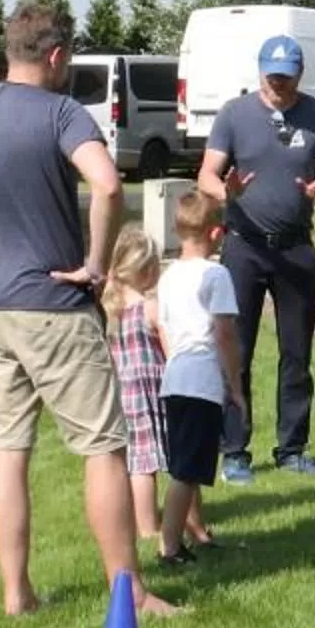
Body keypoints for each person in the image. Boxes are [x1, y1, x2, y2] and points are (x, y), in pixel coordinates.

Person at [0, 0, 172, 620]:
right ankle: (132, 593)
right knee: (103, 448)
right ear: (57, 55)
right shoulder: (63, 113)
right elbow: (105, 185)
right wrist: (96, 266)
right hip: (53, 308)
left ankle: (17, 593)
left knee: (8, 449)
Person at [195, 32, 315, 481]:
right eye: (272, 76)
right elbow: (206, 172)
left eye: (286, 77)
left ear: (300, 74)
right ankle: (235, 451)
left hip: (296, 249)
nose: (278, 84)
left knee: (296, 353)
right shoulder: (234, 114)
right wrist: (225, 190)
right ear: (260, 71)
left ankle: (292, 449)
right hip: (243, 246)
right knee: (235, 349)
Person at [152, 190, 246, 565]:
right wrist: (235, 385)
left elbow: (162, 326)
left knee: (186, 463)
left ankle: (197, 532)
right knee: (186, 472)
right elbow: (224, 334)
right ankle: (169, 548)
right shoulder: (216, 274)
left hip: (174, 377)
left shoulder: (168, 275)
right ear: (216, 233)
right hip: (202, 380)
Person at [102, 230, 196, 562]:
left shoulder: (109, 306)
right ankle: (152, 525)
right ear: (146, 270)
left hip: (122, 388)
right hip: (152, 388)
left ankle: (144, 523)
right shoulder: (150, 307)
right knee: (154, 461)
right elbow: (170, 350)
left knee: (137, 460)